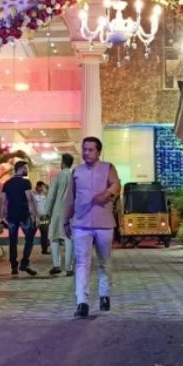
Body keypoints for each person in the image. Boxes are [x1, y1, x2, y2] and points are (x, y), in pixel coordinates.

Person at [65, 136, 121, 318]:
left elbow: (116, 185)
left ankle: (104, 295)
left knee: (104, 262)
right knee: (82, 263)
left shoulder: (108, 168)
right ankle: (82, 302)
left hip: (104, 223)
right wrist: (66, 220)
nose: (86, 153)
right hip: (81, 223)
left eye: (90, 149)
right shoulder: (77, 172)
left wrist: (107, 194)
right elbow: (70, 198)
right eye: (84, 149)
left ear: (98, 152)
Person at [1, 161, 38, 276]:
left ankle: (14, 266)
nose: (27, 170)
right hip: (23, 215)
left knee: (13, 241)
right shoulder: (26, 182)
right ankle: (24, 263)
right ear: (21, 168)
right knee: (30, 238)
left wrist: (1, 217)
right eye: (25, 168)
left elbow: (3, 202)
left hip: (11, 216)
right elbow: (29, 199)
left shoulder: (6, 183)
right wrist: (35, 215)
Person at [42, 153, 75, 276]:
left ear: (63, 163)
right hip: (71, 212)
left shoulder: (57, 177)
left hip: (57, 211)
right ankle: (69, 267)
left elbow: (51, 196)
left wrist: (46, 212)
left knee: (54, 237)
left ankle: (56, 265)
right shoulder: (74, 177)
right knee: (69, 238)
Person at [32, 180, 51, 260]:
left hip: (44, 217)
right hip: (35, 218)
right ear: (38, 187)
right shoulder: (33, 195)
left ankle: (44, 250)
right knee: (31, 233)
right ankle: (28, 249)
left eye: (43, 187)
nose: (43, 189)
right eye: (42, 187)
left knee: (45, 234)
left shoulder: (44, 195)